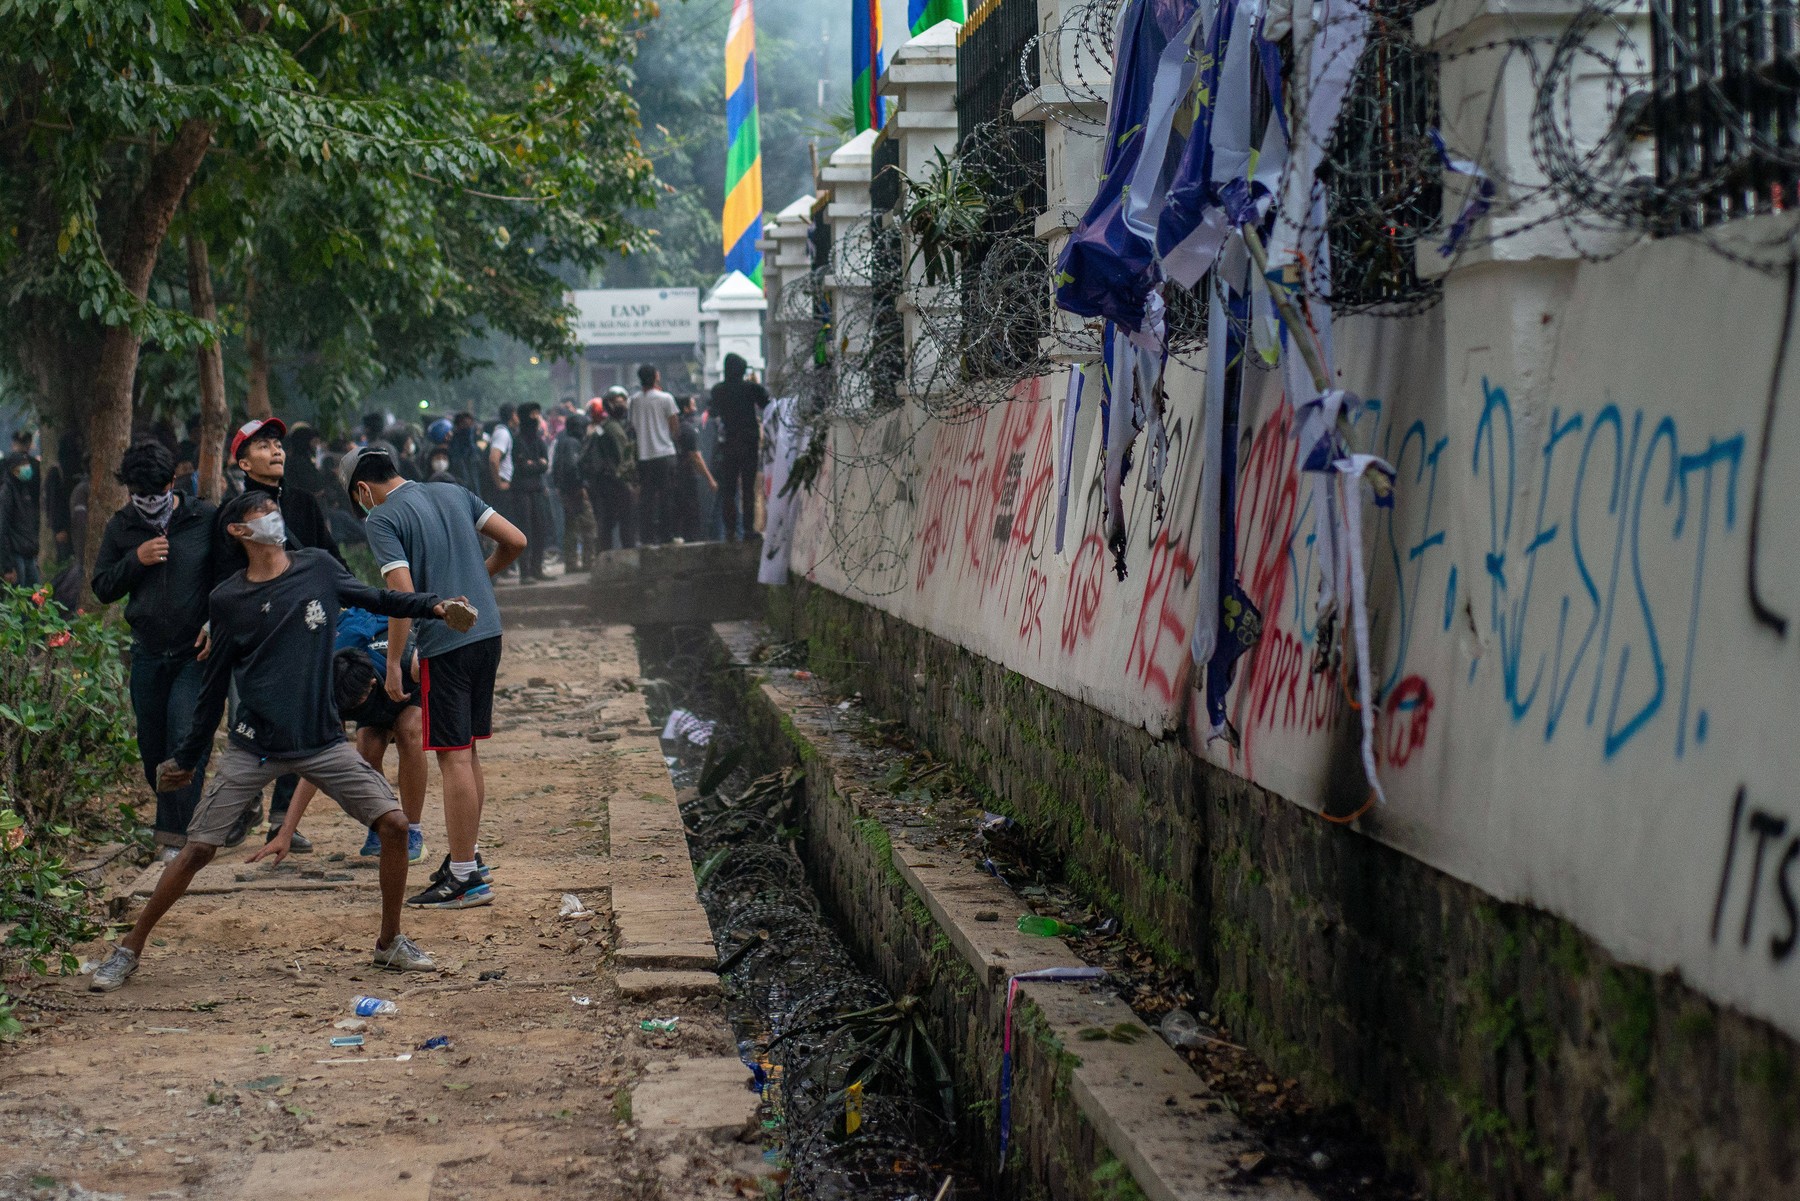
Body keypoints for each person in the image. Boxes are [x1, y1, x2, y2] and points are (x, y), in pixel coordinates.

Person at [84, 490, 477, 992]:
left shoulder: (316, 567)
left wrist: (434, 605)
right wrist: (187, 757)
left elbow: (379, 599)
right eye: (260, 514)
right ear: (238, 531)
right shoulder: (228, 599)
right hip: (254, 745)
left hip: (322, 740)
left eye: (273, 511)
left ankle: (389, 943)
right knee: (197, 850)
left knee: (396, 826)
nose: (273, 517)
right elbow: (211, 689)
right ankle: (128, 949)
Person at [342, 447, 526, 909]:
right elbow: (516, 541)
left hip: (447, 645)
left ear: (363, 489)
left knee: (453, 756)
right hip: (488, 633)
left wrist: (394, 662)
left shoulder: (381, 519)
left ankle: (465, 877)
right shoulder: (452, 491)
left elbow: (401, 593)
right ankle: (470, 857)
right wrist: (478, 583)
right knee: (468, 751)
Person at [211, 418, 345, 851]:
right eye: (264, 445)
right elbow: (219, 577)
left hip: (302, 629)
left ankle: (282, 821)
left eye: (278, 444)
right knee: (245, 716)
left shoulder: (303, 503)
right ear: (244, 461)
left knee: (299, 717)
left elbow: (332, 561)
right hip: (251, 634)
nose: (276, 451)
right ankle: (243, 802)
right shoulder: (233, 514)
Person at [91, 442, 217, 860]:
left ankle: (174, 839)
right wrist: (136, 559)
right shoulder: (122, 526)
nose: (146, 504)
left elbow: (228, 577)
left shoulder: (202, 519)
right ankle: (189, 818)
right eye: (137, 496)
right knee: (152, 749)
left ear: (171, 484)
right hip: (147, 653)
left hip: (194, 653)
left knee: (184, 737)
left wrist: (215, 623)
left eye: (154, 495)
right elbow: (103, 587)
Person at [282, 607, 430, 864]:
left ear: (371, 686)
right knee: (367, 749)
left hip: (404, 686)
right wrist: (286, 830)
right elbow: (318, 762)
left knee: (409, 732)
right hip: (361, 691)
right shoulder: (329, 684)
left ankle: (413, 830)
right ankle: (383, 823)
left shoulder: (409, 662)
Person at [709, 352, 769, 541]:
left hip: (730, 442)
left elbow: (713, 410)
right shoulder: (750, 388)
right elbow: (765, 402)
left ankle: (730, 531)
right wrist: (753, 383)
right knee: (748, 488)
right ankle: (749, 529)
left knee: (729, 489)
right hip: (749, 443)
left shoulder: (718, 390)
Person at [628, 365, 679, 545]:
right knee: (666, 497)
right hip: (665, 453)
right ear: (656, 376)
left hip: (644, 456)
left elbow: (632, 427)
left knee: (646, 499)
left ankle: (646, 537)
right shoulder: (666, 398)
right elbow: (674, 425)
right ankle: (667, 535)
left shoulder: (633, 401)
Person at [582, 393, 636, 551]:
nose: (623, 405)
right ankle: (626, 556)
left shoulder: (603, 427)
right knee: (626, 522)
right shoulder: (613, 428)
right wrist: (631, 482)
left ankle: (605, 558)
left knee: (606, 523)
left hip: (603, 482)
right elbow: (624, 458)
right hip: (616, 482)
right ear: (609, 405)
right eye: (619, 402)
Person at [509, 402, 552, 582]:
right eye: (533, 414)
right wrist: (537, 464)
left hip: (537, 491)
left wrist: (533, 465)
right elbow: (522, 466)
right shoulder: (517, 441)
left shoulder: (539, 440)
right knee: (525, 530)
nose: (536, 418)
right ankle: (525, 572)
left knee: (540, 529)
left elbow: (545, 464)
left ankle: (537, 568)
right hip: (522, 492)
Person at [552, 412, 596, 571]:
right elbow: (572, 466)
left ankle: (571, 563)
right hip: (576, 491)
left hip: (566, 491)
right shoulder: (573, 444)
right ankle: (588, 562)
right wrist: (580, 485)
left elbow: (556, 468)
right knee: (589, 527)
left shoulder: (562, 442)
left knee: (571, 527)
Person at [671, 395, 716, 543]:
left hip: (674, 476)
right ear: (685, 408)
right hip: (687, 477)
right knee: (691, 512)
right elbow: (695, 457)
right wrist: (710, 479)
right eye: (692, 405)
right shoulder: (688, 430)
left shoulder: (674, 428)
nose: (695, 409)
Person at [0, 430, 41, 586]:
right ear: (13, 469)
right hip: (15, 554)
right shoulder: (7, 493)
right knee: (21, 598)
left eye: (26, 464)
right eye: (22, 465)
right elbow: (2, 528)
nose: (26, 468)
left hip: (28, 552)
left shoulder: (24, 490)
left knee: (36, 595)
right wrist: (7, 565)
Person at [448, 412, 484, 493]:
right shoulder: (452, 447)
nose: (469, 428)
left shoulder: (475, 450)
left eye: (471, 425)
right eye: (465, 424)